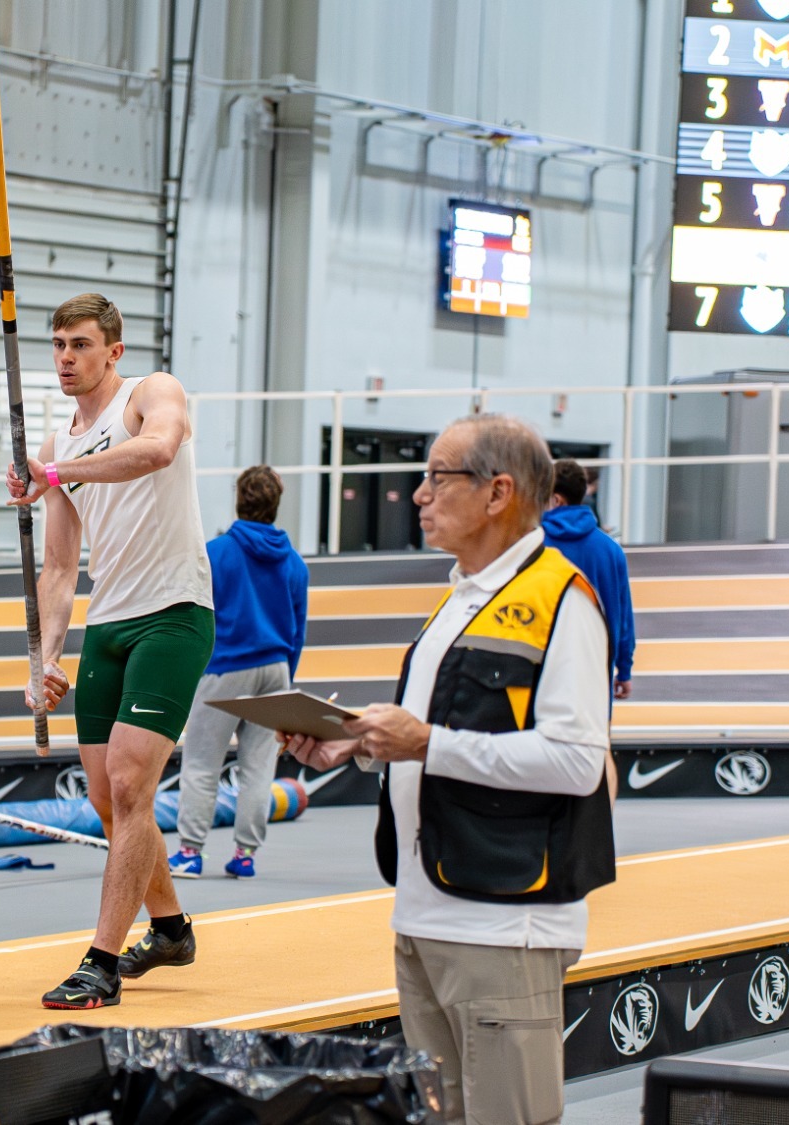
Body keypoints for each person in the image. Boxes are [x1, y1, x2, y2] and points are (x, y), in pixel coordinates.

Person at [284, 413, 614, 1125]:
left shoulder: (563, 602)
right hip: (427, 909)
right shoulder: (459, 598)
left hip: (504, 924)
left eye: (439, 476)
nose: (419, 493)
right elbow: (443, 735)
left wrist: (427, 742)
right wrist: (353, 744)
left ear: (498, 493)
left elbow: (579, 761)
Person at [6, 292, 216, 1011]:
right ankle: (170, 928)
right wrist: (47, 655)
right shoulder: (59, 447)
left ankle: (98, 961)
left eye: (80, 344)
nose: (66, 357)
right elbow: (61, 567)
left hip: (175, 614)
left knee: (130, 785)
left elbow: (158, 449)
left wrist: (55, 475)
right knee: (105, 798)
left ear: (113, 351)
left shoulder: (151, 392)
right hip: (112, 624)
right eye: (58, 344)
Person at [169, 465, 310, 881]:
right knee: (258, 767)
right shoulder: (295, 564)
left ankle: (191, 853)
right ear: (275, 505)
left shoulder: (216, 553)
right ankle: (245, 855)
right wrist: (286, 678)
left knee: (200, 763)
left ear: (239, 499)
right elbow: (297, 630)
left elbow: (194, 616)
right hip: (276, 669)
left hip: (226, 667)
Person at [542, 459, 635, 700]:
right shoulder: (610, 550)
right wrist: (624, 670)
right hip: (595, 668)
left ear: (556, 499)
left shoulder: (532, 545)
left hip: (542, 666)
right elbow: (623, 616)